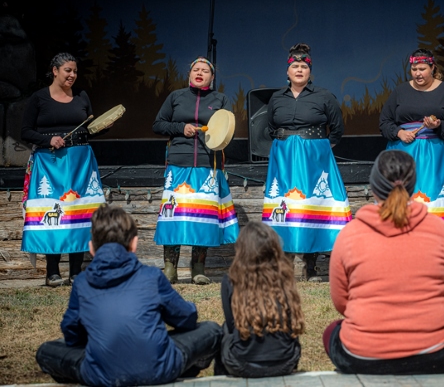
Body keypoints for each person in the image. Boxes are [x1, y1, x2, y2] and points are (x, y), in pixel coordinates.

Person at [35, 204, 222, 386]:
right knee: (211, 330)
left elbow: (72, 335)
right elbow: (186, 318)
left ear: (91, 248)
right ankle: (179, 372)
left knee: (46, 351)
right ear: (134, 244)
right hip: (158, 369)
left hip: (99, 374)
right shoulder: (151, 276)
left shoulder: (82, 283)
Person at [323, 149, 444, 374]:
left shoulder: (349, 234)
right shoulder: (441, 230)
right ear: (413, 184)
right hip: (435, 353)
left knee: (331, 332)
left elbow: (341, 302)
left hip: (362, 355)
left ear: (373, 186)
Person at [261, 43, 351, 280]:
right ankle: (284, 267)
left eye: (303, 66)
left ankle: (310, 268)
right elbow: (271, 127)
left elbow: (338, 129)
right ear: (287, 71)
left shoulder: (324, 96)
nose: (299, 70)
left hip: (314, 157)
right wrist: (289, 145)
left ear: (310, 71)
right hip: (284, 157)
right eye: (295, 66)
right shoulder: (276, 97)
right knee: (286, 205)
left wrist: (319, 150)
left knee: (311, 205)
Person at [20, 52, 107, 287]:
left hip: (80, 162)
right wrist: (48, 140)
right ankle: (52, 271)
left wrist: (102, 126)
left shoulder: (81, 96)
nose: (72, 75)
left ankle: (76, 271)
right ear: (55, 70)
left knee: (79, 211)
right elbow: (25, 131)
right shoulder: (39, 98)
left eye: (75, 71)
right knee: (54, 214)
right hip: (50, 163)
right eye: (68, 70)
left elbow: (88, 128)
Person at [152, 56, 239, 285]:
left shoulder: (220, 99)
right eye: (196, 70)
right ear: (190, 74)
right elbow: (158, 124)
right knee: (173, 217)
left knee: (203, 219)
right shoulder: (176, 97)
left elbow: (228, 131)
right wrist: (181, 128)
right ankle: (170, 269)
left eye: (205, 71)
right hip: (178, 163)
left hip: (206, 164)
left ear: (212, 77)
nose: (199, 73)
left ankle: (198, 269)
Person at [379, 48, 444, 245]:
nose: (418, 73)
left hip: (438, 157)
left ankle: (438, 250)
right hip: (404, 154)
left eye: (422, 69)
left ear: (432, 68)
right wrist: (399, 132)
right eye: (414, 69)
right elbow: (384, 121)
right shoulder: (400, 92)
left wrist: (439, 126)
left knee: (434, 200)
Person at [215, 221, 304, 377]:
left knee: (223, 329)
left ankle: (222, 378)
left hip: (242, 364)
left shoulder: (230, 280)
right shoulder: (284, 276)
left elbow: (231, 322)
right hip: (286, 363)